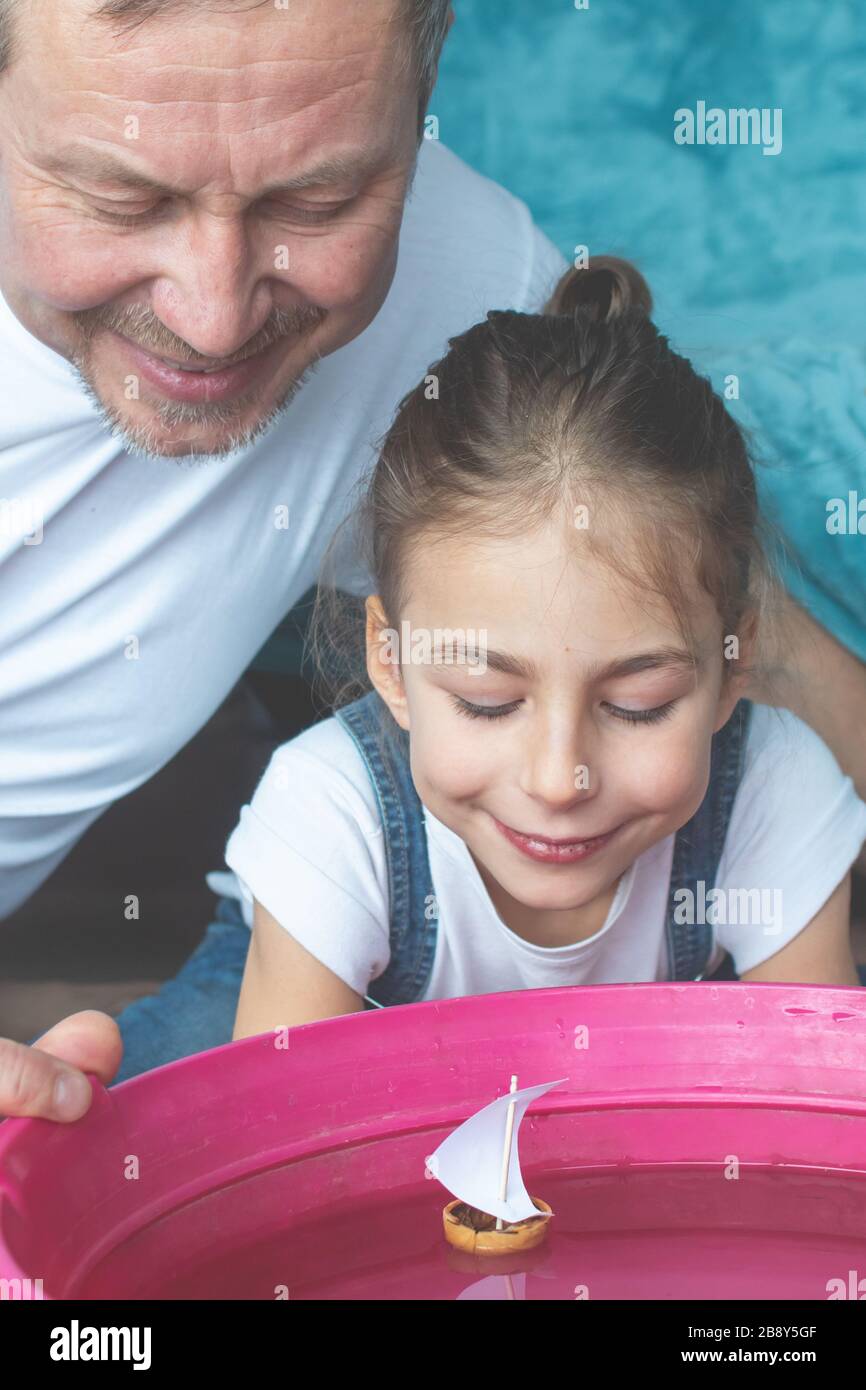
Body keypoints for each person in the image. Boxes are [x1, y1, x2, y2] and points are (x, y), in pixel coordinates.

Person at [0, 0, 568, 1117]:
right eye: (122, 199)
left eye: (319, 202)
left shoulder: (466, 296)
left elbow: (721, 633)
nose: (213, 322)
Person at [222, 257, 866, 1040]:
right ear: (390, 661)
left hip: (637, 1083)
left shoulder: (769, 789)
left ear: (733, 663)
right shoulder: (332, 818)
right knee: (156, 1109)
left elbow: (813, 1109)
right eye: (486, 702)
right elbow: (284, 1148)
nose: (561, 780)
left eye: (640, 707)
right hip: (310, 1005)